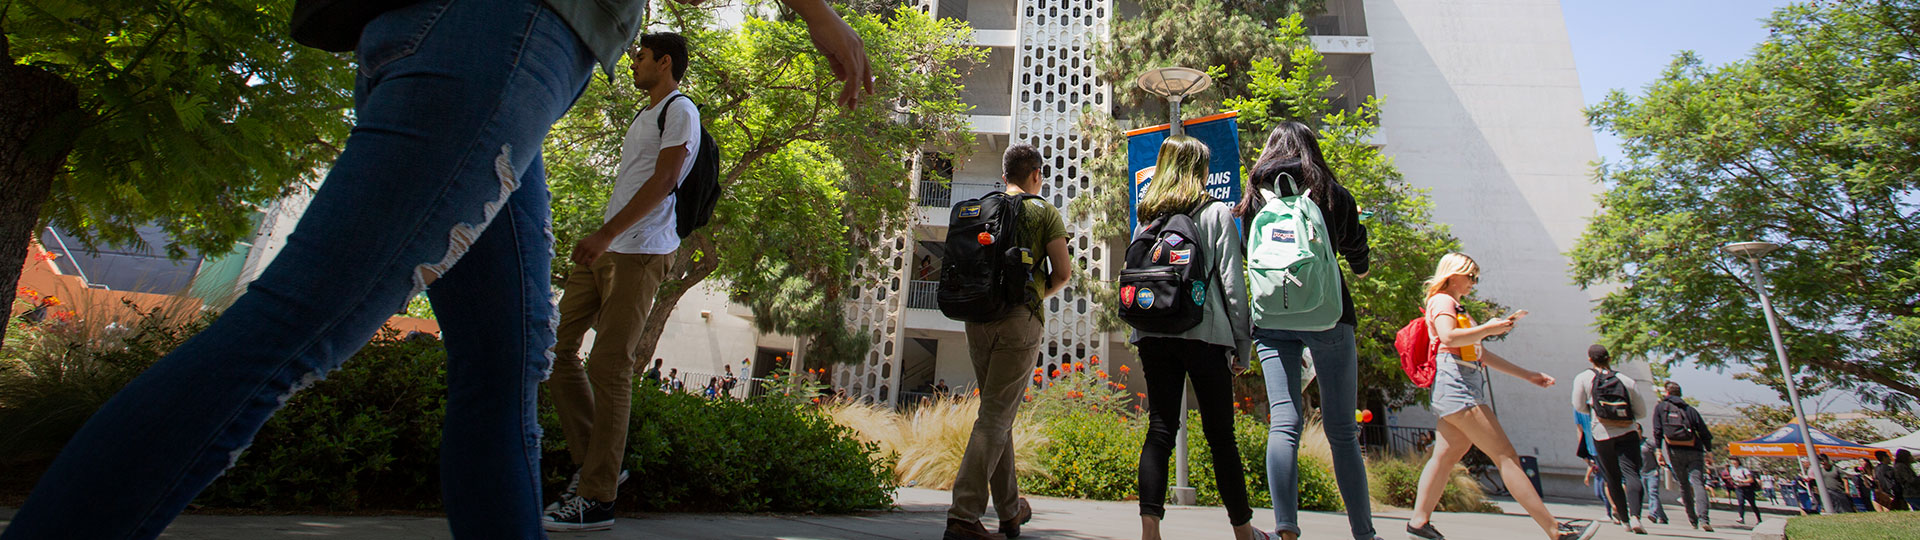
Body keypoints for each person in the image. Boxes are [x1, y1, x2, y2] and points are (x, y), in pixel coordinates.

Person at [0, 1, 871, 538]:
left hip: (469, 45)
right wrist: (816, 10)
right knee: (295, 329)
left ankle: (581, 492)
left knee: (506, 367)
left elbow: (675, 179)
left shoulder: (673, 109)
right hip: (504, 38)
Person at [1234, 122, 1379, 540]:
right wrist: (1360, 265)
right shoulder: (1333, 194)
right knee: (1342, 431)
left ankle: (1285, 528)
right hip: (1328, 316)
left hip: (1273, 319)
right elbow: (1357, 249)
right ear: (1311, 150)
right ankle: (1363, 533)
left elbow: (1248, 252)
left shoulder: (1253, 199)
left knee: (1284, 422)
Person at [1128, 136, 1267, 540]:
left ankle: (1149, 530)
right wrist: (1242, 345)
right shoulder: (1216, 213)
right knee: (1221, 436)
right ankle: (1243, 531)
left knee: (1159, 429)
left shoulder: (1146, 217)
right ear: (1198, 170)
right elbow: (1232, 285)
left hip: (1154, 334)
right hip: (1205, 335)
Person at [1403, 253, 1590, 540]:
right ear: (1453, 275)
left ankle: (1418, 523)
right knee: (1506, 456)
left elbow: (1481, 354)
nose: (1474, 283)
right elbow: (1449, 338)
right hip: (1458, 387)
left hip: (1459, 385)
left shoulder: (1456, 305)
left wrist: (1528, 375)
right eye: (1470, 276)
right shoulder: (1442, 301)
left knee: (1443, 458)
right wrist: (1489, 328)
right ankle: (1554, 530)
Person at [942, 143, 1069, 540]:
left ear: (1004, 174)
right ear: (1035, 175)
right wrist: (1031, 294)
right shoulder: (1042, 210)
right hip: (1018, 321)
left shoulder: (980, 207)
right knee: (996, 416)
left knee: (998, 414)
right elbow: (1063, 274)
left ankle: (1011, 511)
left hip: (976, 319)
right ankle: (963, 516)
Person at [1570, 344, 1650, 534]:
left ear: (1590, 359)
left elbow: (1578, 406)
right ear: (1609, 358)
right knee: (1632, 474)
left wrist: (1595, 411)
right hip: (1627, 431)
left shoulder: (1583, 378)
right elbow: (1641, 412)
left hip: (1602, 433)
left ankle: (1624, 519)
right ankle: (1636, 516)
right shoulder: (1626, 380)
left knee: (1612, 477)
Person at [1652, 381, 1715, 530]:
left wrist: (1659, 451)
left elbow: (1657, 431)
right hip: (1694, 449)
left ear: (1667, 393)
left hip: (1674, 450)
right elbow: (1704, 432)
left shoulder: (1661, 408)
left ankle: (1692, 519)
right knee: (1698, 483)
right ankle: (1704, 519)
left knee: (1684, 485)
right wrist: (1709, 451)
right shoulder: (1689, 409)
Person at [1641, 434, 1670, 524]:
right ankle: (1662, 516)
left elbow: (1659, 455)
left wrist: (1660, 465)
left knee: (1653, 493)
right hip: (1641, 472)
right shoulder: (1632, 443)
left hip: (1652, 472)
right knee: (1651, 495)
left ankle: (1653, 514)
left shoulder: (1648, 443)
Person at [1730, 457, 1763, 524]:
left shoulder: (1743, 470)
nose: (1733, 462)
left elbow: (1751, 480)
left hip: (1747, 488)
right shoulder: (1732, 469)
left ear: (1738, 461)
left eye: (1735, 461)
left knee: (1752, 504)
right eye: (1732, 461)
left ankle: (1759, 519)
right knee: (1741, 502)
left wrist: (1742, 481)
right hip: (1739, 488)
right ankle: (1741, 517)